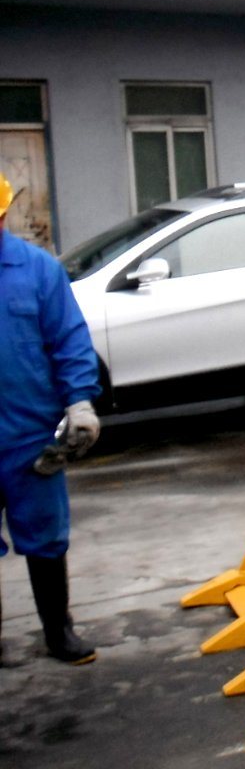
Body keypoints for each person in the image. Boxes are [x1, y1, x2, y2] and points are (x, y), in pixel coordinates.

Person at [0, 173, 103, 664]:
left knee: (44, 539)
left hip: (28, 438)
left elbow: (68, 340)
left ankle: (58, 633)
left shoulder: (38, 271)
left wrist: (79, 401)